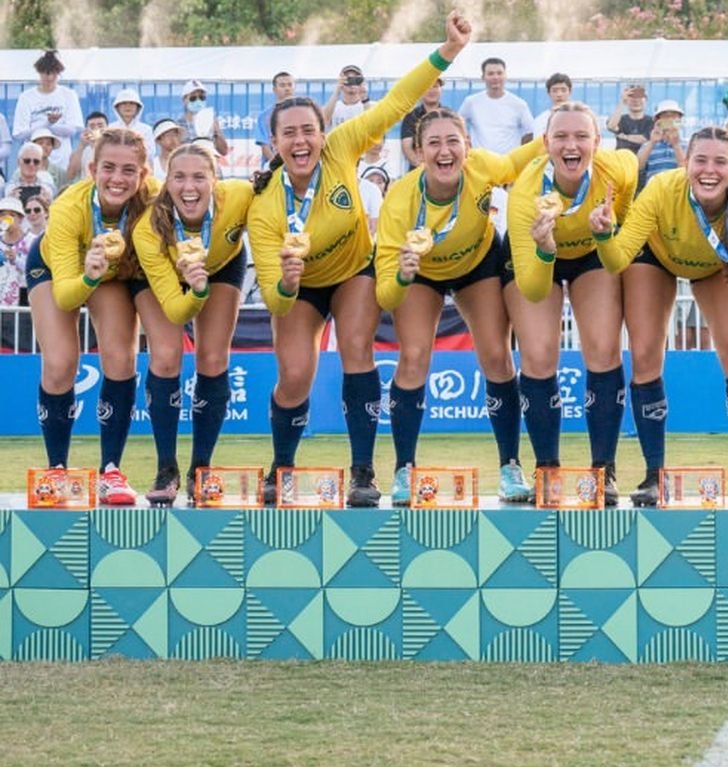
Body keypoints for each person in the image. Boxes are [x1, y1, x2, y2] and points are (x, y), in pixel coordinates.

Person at [248, 10, 473, 508]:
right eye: (290, 134)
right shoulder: (263, 208)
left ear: (323, 132)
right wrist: (287, 283)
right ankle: (282, 466)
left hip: (354, 270)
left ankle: (363, 472)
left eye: (309, 130)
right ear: (275, 143)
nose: (301, 141)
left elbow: (396, 102)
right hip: (300, 287)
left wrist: (449, 51)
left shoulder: (341, 146)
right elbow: (274, 300)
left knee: (356, 349)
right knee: (294, 377)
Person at [588, 126, 728, 506]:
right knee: (645, 353)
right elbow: (618, 259)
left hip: (714, 264)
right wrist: (605, 236)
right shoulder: (662, 187)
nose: (709, 170)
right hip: (655, 256)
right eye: (700, 160)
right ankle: (654, 476)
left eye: (720, 162)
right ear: (686, 162)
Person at [375, 108, 543, 505]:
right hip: (421, 272)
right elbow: (385, 295)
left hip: (477, 262)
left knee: (497, 356)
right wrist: (402, 275)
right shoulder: (399, 199)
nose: (444, 151)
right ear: (418, 153)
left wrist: (554, 140)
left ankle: (510, 467)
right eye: (433, 143)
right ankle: (404, 470)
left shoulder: (481, 167)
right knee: (413, 357)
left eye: (453, 141)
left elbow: (515, 162)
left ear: (467, 146)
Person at [506, 101, 638, 505]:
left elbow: (631, 179)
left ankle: (604, 471)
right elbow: (532, 288)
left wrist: (612, 227)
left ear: (597, 142)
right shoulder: (525, 194)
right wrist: (545, 249)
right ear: (545, 143)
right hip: (539, 256)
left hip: (590, 253)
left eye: (582, 136)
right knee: (538, 355)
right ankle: (547, 470)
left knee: (603, 349)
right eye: (561, 136)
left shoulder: (617, 167)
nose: (571, 145)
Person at [31, 128, 158, 504]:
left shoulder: (155, 198)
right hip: (57, 270)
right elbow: (66, 293)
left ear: (143, 173)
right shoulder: (69, 207)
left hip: (110, 273)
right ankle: (56, 470)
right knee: (59, 363)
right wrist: (88, 275)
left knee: (120, 358)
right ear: (92, 169)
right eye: (108, 168)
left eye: (129, 170)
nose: (118, 179)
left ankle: (111, 472)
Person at [131, 142, 252, 503]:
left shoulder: (239, 194)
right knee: (166, 356)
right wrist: (197, 291)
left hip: (221, 263)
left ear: (215, 180)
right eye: (179, 177)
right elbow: (176, 311)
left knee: (213, 358)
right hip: (168, 273)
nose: (189, 187)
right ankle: (166, 468)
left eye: (199, 177)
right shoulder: (148, 229)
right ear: (166, 181)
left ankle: (202, 468)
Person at [13, 50, 83, 173]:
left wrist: (51, 125)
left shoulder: (69, 95)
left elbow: (72, 129)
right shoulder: (26, 97)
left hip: (61, 160)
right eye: (45, 73)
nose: (50, 78)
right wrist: (46, 123)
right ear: (39, 73)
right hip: (32, 161)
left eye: (54, 73)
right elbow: (19, 133)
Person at [459, 57, 536, 153]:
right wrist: (467, 144)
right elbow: (458, 123)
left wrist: (520, 154)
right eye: (490, 74)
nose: (495, 77)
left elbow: (530, 132)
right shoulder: (471, 102)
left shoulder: (519, 104)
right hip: (480, 159)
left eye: (499, 73)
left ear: (505, 76)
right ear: (483, 77)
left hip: (508, 160)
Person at [401, 76, 448, 168]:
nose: (431, 90)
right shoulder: (411, 116)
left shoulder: (449, 116)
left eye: (435, 86)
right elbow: (407, 147)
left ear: (441, 90)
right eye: (427, 87)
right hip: (419, 169)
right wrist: (422, 167)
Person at [638, 100, 685, 187]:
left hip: (677, 191)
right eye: (666, 116)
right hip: (653, 191)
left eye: (674, 116)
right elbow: (638, 167)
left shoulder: (688, 145)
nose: (670, 120)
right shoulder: (647, 145)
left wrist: (676, 145)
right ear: (657, 121)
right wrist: (652, 142)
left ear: (679, 121)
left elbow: (686, 170)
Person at [178, 80, 230, 156]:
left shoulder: (211, 120)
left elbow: (223, 151)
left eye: (202, 97)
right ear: (184, 100)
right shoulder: (179, 125)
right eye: (193, 98)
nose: (198, 101)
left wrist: (216, 132)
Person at [255, 72, 295, 167]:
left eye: (290, 85)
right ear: (274, 89)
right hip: (274, 166)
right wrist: (279, 166)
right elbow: (265, 146)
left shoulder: (303, 113)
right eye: (282, 85)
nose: (287, 88)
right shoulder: (264, 116)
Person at [0, 197, 32, 305]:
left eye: (12, 215)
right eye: (2, 215)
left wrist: (16, 259)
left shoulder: (32, 241)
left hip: (24, 300)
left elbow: (35, 270)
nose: (6, 219)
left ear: (21, 218)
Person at [606, 84, 653, 154]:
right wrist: (622, 102)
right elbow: (611, 126)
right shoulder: (620, 119)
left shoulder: (652, 121)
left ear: (646, 100)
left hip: (645, 158)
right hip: (622, 158)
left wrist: (625, 137)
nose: (636, 100)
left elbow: (645, 139)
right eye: (632, 97)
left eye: (640, 97)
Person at [65, 111, 108, 183]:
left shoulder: (115, 149)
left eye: (100, 126)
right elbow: (70, 175)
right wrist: (82, 145)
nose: (96, 129)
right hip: (87, 187)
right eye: (92, 126)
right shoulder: (81, 151)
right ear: (86, 130)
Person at [324, 66, 370, 130]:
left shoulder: (368, 105)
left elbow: (371, 124)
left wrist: (364, 96)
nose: (352, 83)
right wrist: (337, 91)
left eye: (356, 79)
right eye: (348, 79)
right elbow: (324, 120)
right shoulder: (333, 107)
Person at [530, 73, 573, 137]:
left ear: (570, 92)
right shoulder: (541, 120)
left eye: (563, 90)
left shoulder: (580, 117)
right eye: (555, 91)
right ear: (549, 93)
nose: (559, 94)